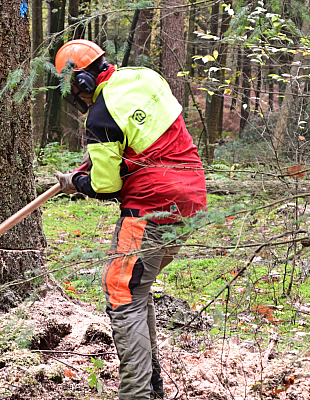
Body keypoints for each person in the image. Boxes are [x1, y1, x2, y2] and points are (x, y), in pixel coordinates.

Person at [53, 39, 207, 399]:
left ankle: (137, 394)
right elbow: (149, 137)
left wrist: (75, 182)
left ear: (80, 84)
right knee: (137, 289)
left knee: (122, 292)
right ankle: (152, 388)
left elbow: (106, 186)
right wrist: (104, 158)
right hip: (191, 195)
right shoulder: (144, 78)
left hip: (151, 205)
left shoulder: (101, 115)